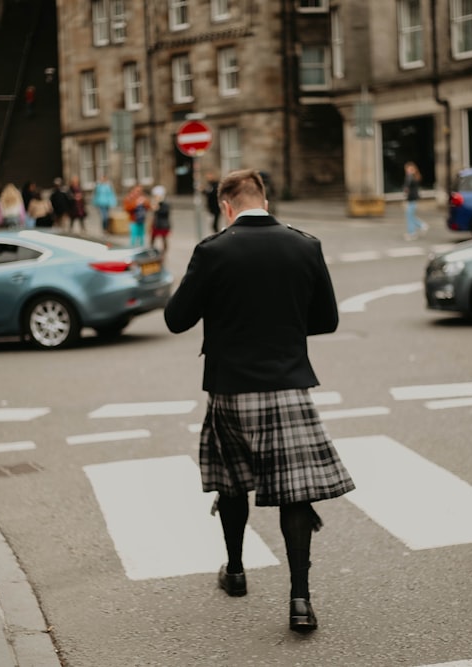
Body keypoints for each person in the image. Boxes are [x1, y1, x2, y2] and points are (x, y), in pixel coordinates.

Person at [163, 169, 354, 633]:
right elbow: (326, 320)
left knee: (232, 482)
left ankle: (235, 571)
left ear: (226, 206)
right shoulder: (305, 246)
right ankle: (300, 602)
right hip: (288, 386)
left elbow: (175, 319)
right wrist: (282, 328)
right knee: (295, 492)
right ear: (264, 199)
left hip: (231, 389)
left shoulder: (212, 251)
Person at [403, 161, 427, 241]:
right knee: (410, 216)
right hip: (411, 199)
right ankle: (421, 226)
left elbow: (406, 187)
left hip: (412, 199)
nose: (408, 171)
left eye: (410, 169)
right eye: (407, 169)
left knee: (409, 216)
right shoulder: (413, 177)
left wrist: (409, 175)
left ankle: (413, 232)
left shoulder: (411, 177)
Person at [149, 185, 171, 256]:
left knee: (164, 239)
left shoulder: (165, 204)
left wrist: (158, 208)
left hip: (163, 224)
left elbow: (165, 212)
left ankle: (164, 252)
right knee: (152, 238)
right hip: (156, 224)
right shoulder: (156, 203)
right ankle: (151, 250)